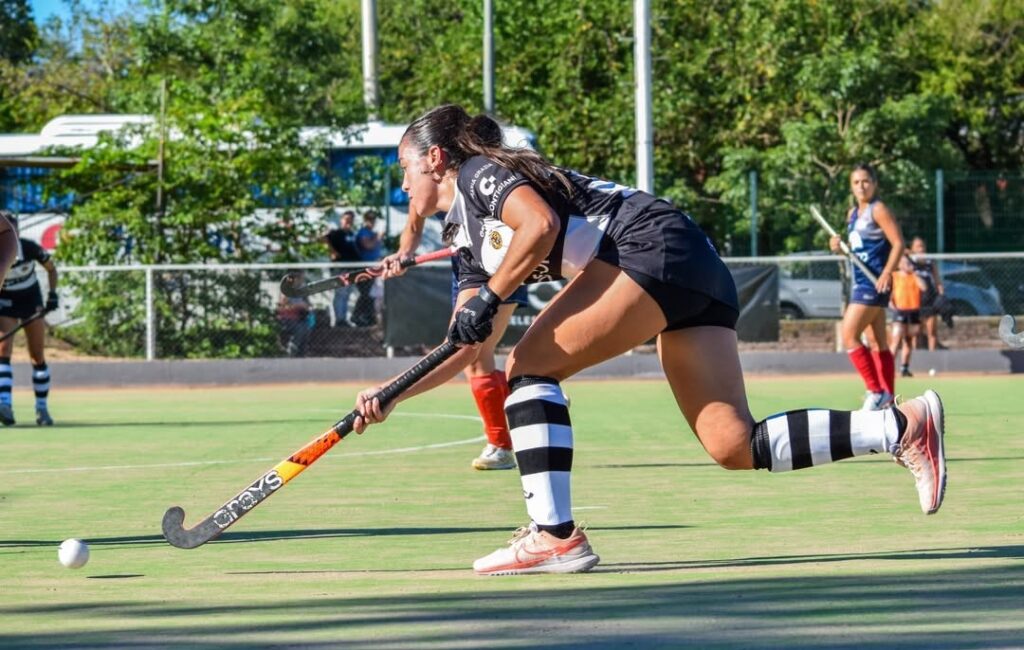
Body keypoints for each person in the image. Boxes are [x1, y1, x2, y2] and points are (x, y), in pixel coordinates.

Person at [351, 105, 947, 576]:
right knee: (732, 444)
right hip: (690, 264)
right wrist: (392, 395)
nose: (403, 186)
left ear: (434, 159)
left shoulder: (481, 175)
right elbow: (464, 345)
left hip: (651, 246)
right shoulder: (468, 246)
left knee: (530, 367)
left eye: (404, 170)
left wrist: (490, 297)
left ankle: (554, 537)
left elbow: (541, 225)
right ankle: (900, 427)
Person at [382, 205, 529, 471]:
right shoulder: (421, 184)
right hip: (465, 269)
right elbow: (413, 227)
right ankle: (532, 395)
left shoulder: (475, 172)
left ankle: (506, 436)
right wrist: (404, 253)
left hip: (501, 264)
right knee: (476, 364)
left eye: (406, 167)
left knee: (472, 356)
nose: (405, 184)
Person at [830, 164, 906, 411]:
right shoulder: (852, 213)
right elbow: (855, 253)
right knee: (876, 342)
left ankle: (875, 391)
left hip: (875, 283)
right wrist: (838, 248)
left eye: (866, 181)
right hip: (860, 282)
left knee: (849, 335)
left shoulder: (879, 209)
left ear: (874, 184)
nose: (861, 186)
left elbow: (898, 244)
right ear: (851, 186)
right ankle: (889, 398)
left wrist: (886, 272)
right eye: (856, 182)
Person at [0, 211, 59, 426]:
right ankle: (4, 404)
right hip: (5, 302)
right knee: (3, 351)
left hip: (30, 301)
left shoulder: (30, 248)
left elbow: (52, 270)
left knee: (37, 356)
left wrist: (52, 295)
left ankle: (42, 409)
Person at [889, 254, 926, 377]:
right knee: (896, 340)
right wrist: (892, 305)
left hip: (913, 311)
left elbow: (924, 287)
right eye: (904, 262)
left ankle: (904, 368)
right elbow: (890, 293)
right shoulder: (894, 276)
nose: (907, 265)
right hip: (900, 311)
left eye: (908, 262)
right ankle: (888, 367)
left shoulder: (914, 276)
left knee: (908, 341)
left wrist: (915, 274)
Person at [324, 210, 360, 327]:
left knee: (347, 295)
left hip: (350, 269)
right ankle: (339, 320)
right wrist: (333, 252)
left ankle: (344, 319)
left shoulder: (351, 234)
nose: (348, 222)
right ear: (341, 220)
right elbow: (324, 239)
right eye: (346, 219)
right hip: (340, 268)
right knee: (340, 294)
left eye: (351, 220)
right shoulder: (336, 233)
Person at [909, 236, 945, 350]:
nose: (921, 249)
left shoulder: (930, 263)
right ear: (912, 249)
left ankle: (932, 357)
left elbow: (937, 281)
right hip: (915, 302)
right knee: (915, 333)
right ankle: (914, 358)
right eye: (918, 246)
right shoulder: (910, 263)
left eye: (922, 246)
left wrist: (942, 295)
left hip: (930, 301)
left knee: (932, 332)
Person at [352, 210, 383, 326]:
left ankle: (368, 317)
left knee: (371, 294)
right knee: (365, 293)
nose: (372, 222)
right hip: (365, 267)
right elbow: (368, 245)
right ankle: (356, 316)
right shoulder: (364, 232)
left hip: (374, 267)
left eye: (373, 219)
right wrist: (378, 237)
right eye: (370, 219)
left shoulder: (371, 233)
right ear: (365, 220)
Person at [276, 273, 312, 357]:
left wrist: (305, 307)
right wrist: (297, 306)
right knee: (300, 329)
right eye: (299, 279)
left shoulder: (302, 293)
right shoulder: (285, 292)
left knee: (305, 328)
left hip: (300, 318)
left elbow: (308, 306)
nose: (300, 282)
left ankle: (300, 353)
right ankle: (291, 352)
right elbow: (281, 308)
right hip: (287, 319)